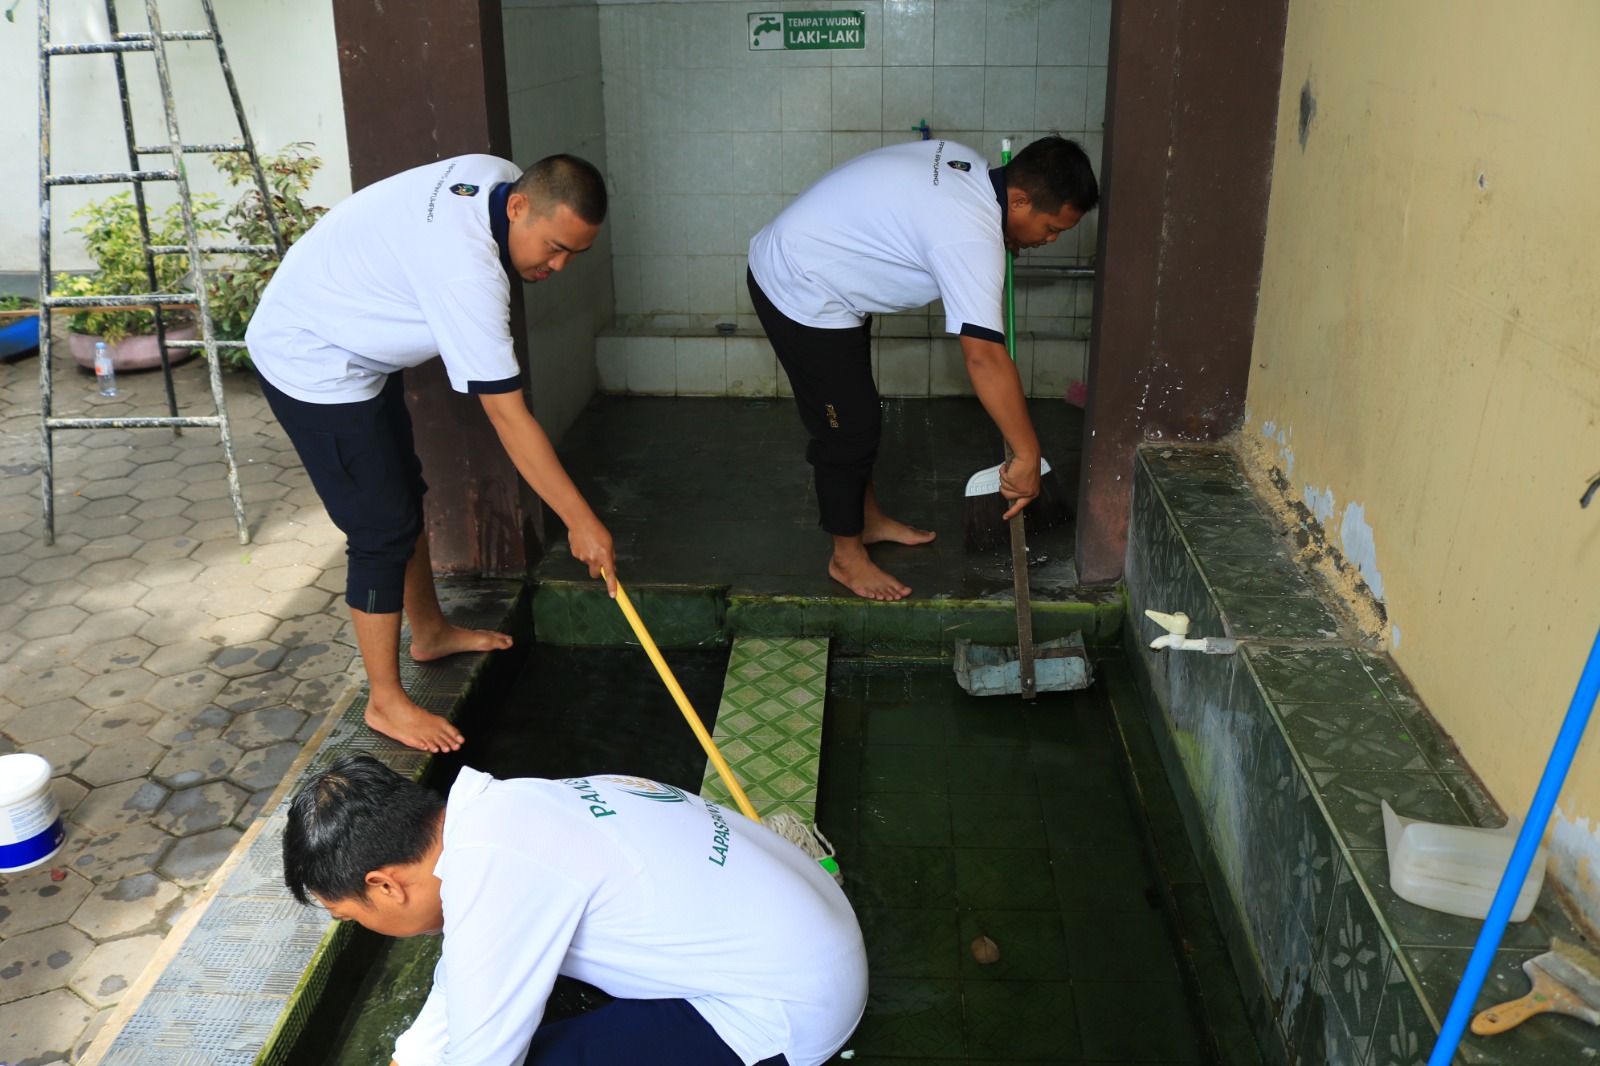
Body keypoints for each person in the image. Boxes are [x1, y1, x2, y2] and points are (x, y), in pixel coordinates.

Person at [246, 154, 618, 754]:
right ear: (519, 207)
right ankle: (386, 702)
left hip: (352, 336)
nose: (558, 266)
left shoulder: (493, 174)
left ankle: (432, 633)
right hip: (311, 358)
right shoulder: (467, 272)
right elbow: (508, 416)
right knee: (379, 531)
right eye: (553, 248)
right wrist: (582, 520)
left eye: (573, 254)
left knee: (405, 493)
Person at [283, 754, 868, 1066]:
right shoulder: (502, 812)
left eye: (348, 914)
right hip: (814, 936)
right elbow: (469, 968)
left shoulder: (498, 873)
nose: (362, 926)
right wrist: (412, 1058)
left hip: (787, 1015)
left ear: (385, 885)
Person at [747, 134, 1099, 601]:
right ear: (1018, 200)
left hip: (828, 270)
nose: (1050, 241)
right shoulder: (970, 234)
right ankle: (845, 557)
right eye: (1052, 228)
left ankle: (866, 520)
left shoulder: (969, 166)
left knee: (858, 414)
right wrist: (1027, 453)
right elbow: (983, 356)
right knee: (847, 431)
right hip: (798, 284)